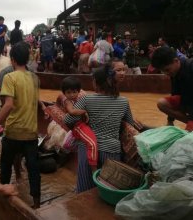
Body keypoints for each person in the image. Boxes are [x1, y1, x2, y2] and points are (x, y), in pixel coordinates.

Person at [0, 42, 41, 208]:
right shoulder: (35, 78)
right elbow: (34, 101)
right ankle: (36, 203)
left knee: (5, 166)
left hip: (13, 131)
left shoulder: (9, 77)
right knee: (33, 169)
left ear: (13, 60)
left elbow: (8, 105)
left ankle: (4, 197)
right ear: (28, 59)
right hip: (31, 132)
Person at [64, 64, 135, 193]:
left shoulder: (86, 99)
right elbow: (130, 124)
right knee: (108, 190)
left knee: (84, 191)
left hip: (87, 149)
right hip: (112, 150)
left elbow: (68, 120)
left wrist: (82, 117)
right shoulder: (124, 101)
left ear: (96, 82)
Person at [45, 76, 98, 171]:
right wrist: (84, 111)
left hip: (76, 124)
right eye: (69, 92)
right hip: (71, 124)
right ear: (64, 93)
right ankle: (61, 159)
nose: (72, 95)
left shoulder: (82, 97)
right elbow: (71, 112)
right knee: (65, 143)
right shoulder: (67, 101)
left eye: (74, 92)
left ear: (78, 91)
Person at [152, 47, 193, 131]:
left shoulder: (191, 66)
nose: (166, 73)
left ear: (176, 61)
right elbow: (175, 94)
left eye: (167, 70)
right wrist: (170, 121)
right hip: (188, 101)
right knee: (162, 103)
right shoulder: (174, 73)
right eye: (163, 71)